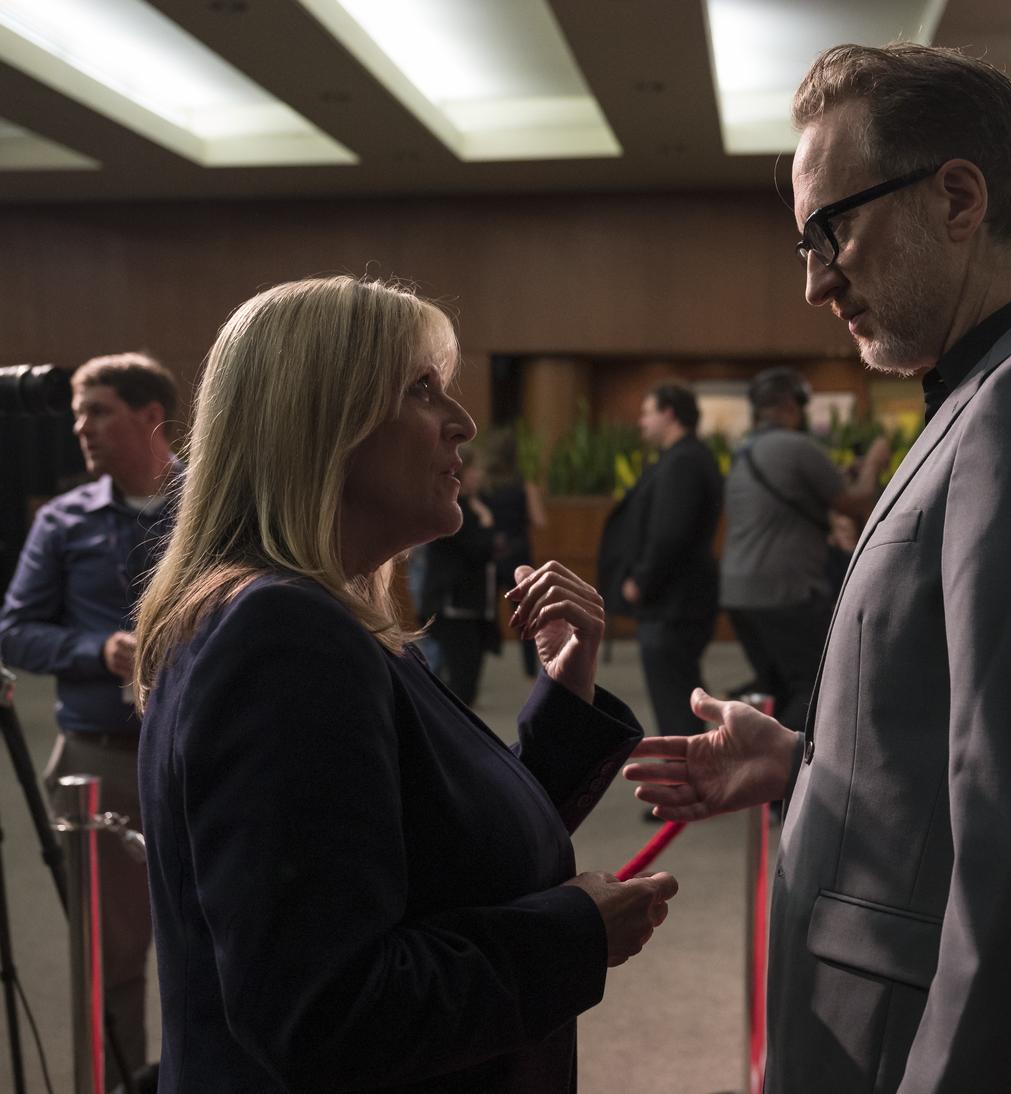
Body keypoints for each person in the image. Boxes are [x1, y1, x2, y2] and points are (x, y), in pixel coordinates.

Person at [626, 43, 1011, 1094]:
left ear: (955, 196)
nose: (815, 282)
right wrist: (810, 759)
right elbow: (998, 751)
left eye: (833, 230)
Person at [132, 276, 678, 1093]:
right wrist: (573, 935)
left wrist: (565, 694)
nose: (462, 423)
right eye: (422, 390)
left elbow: (423, 852)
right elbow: (327, 1012)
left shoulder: (320, 618)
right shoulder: (283, 637)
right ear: (321, 423)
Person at [0, 351, 179, 1085]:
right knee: (111, 962)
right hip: (99, 759)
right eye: (77, 413)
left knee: (231, 940)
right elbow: (13, 630)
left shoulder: (215, 503)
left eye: (98, 410)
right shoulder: (64, 521)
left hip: (201, 751)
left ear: (150, 417)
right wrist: (94, 647)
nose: (81, 427)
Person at [720, 366, 888, 730]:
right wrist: (874, 463)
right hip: (785, 589)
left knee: (777, 684)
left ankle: (761, 766)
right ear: (793, 404)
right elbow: (855, 502)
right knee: (816, 684)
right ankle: (781, 766)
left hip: (738, 591)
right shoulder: (797, 447)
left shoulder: (744, 452)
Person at [598, 383, 722, 740]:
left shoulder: (684, 460)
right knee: (679, 697)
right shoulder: (682, 457)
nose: (641, 421)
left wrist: (642, 580)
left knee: (677, 707)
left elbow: (671, 533)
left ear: (669, 413)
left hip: (673, 604)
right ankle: (685, 786)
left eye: (647, 412)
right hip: (673, 602)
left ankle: (683, 788)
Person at [420, 446, 498, 706]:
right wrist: (487, 523)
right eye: (474, 471)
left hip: (470, 603)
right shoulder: (457, 510)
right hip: (455, 603)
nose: (479, 476)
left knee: (466, 675)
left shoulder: (472, 505)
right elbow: (478, 549)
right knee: (460, 678)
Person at [483, 427, 547, 678]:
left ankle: (474, 670)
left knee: (484, 610)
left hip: (489, 554)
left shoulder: (484, 487)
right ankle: (531, 670)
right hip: (518, 556)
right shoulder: (523, 485)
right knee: (524, 614)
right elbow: (539, 520)